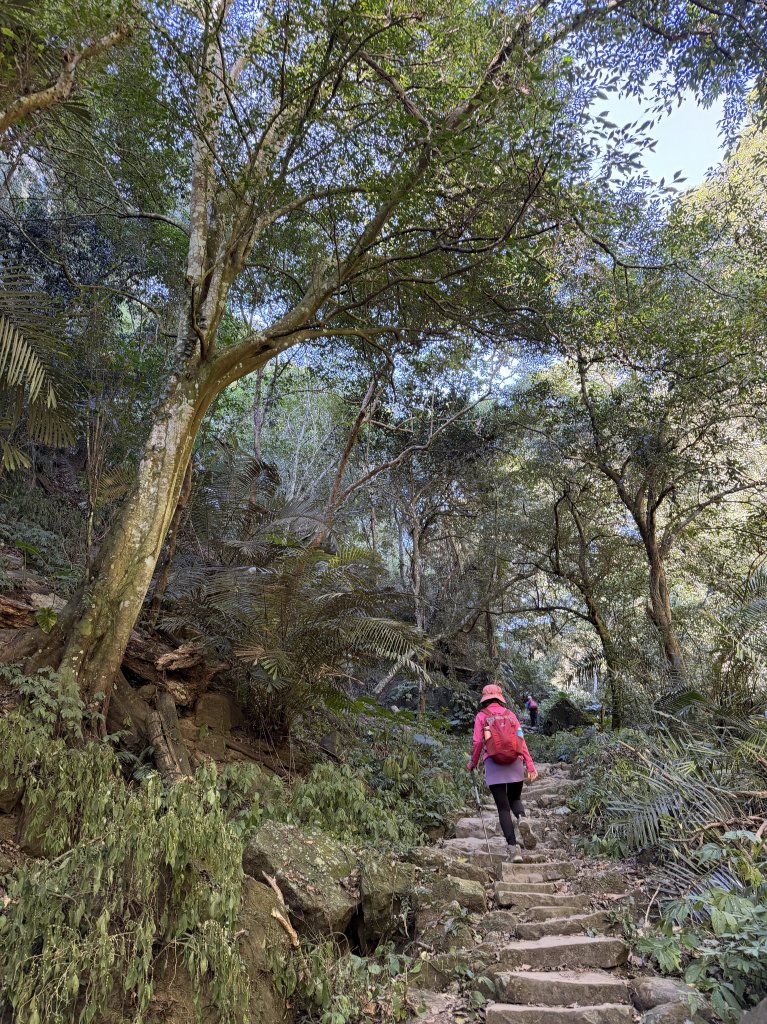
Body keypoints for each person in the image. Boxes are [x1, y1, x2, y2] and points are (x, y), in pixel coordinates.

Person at [467, 683, 538, 861]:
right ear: (500, 698)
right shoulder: (511, 715)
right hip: (515, 762)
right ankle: (521, 818)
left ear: (485, 699)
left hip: (493, 764)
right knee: (515, 799)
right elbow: (521, 740)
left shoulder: (481, 716)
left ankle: (514, 850)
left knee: (503, 808)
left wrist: (473, 763)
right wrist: (530, 765)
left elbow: (478, 742)